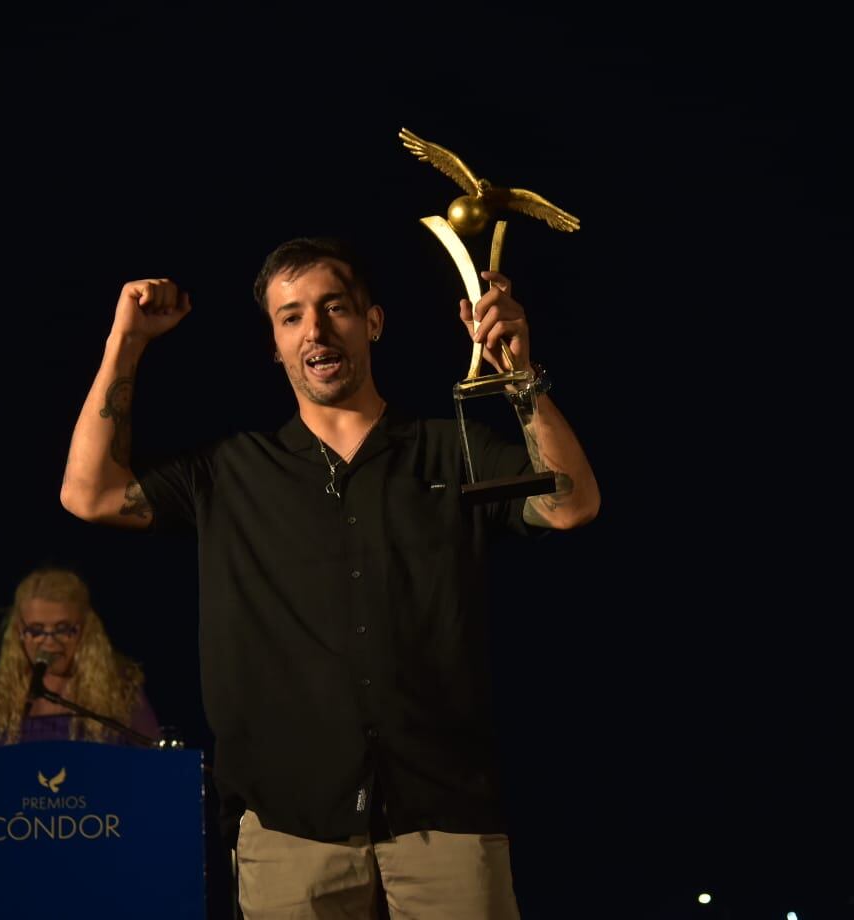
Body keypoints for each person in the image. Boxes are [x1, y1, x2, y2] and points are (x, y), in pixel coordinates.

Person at [59, 237, 600, 917]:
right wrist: (125, 341)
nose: (313, 328)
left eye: (333, 307)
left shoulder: (448, 450)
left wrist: (520, 376)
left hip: (447, 819)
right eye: (290, 317)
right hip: (290, 828)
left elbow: (571, 504)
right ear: (276, 346)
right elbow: (89, 494)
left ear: (371, 322)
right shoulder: (232, 471)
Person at [0, 567, 159, 751]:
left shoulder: (120, 689)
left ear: (83, 630)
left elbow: (157, 763)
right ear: (20, 633)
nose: (50, 642)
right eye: (37, 630)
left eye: (63, 629)